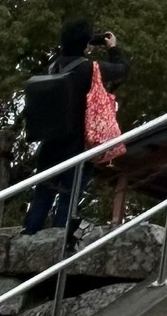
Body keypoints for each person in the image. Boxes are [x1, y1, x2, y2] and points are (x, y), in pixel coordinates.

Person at [22, 19, 127, 234]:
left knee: (43, 192)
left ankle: (29, 234)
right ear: (86, 44)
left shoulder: (51, 67)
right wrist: (113, 48)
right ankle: (60, 239)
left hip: (50, 141)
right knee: (69, 197)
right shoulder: (90, 68)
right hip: (78, 143)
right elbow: (122, 70)